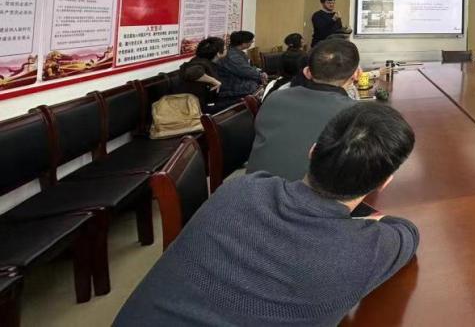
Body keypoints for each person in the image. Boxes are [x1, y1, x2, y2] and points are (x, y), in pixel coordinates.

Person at [114, 104, 418, 326]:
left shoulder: (238, 189)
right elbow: (407, 232)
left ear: (312, 152)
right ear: (384, 182)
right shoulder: (361, 252)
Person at [247, 39, 361, 180]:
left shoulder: (275, 97)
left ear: (307, 72)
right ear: (356, 74)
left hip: (253, 188)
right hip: (310, 192)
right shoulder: (355, 113)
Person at [216, 31, 267, 102]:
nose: (252, 42)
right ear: (243, 43)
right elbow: (246, 71)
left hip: (236, 81)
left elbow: (248, 68)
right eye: (251, 41)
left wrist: (259, 72)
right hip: (230, 87)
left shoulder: (235, 52)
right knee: (258, 87)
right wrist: (260, 75)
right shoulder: (233, 56)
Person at [177, 36, 224, 111]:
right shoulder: (200, 62)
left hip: (206, 101)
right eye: (225, 48)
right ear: (218, 53)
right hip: (196, 107)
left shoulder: (207, 61)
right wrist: (214, 81)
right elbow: (193, 72)